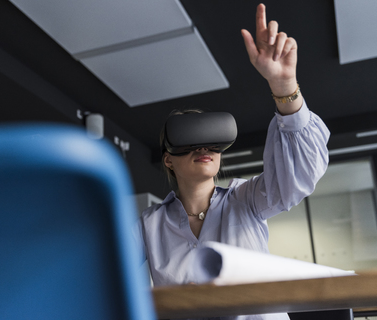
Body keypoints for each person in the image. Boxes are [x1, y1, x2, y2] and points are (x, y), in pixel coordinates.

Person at [134, 3, 330, 320]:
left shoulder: (247, 201)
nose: (203, 148)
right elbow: (106, 271)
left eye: (211, 141)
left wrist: (283, 86)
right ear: (168, 160)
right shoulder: (148, 225)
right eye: (189, 142)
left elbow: (300, 178)